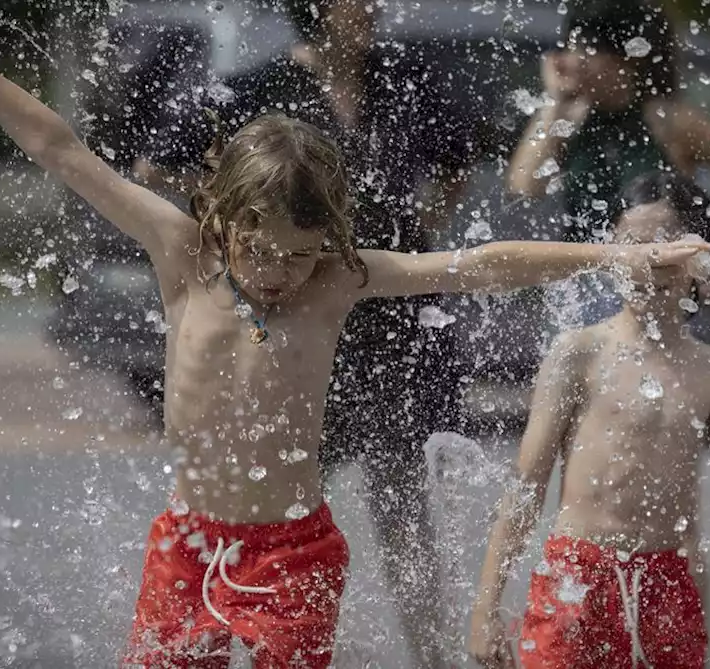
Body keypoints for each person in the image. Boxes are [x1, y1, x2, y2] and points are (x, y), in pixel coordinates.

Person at [0, 2, 710, 666]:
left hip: (296, 552)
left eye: (301, 255)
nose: (279, 271)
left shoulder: (336, 278)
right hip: (189, 541)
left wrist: (615, 254)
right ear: (221, 215)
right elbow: (58, 146)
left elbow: (480, 262)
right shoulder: (185, 255)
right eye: (262, 249)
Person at [136, 3, 484, 664]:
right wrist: (233, 218)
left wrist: (426, 223)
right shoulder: (256, 87)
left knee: (404, 512)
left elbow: (459, 159)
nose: (374, 8)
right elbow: (159, 167)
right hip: (293, 321)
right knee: (275, 499)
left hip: (384, 321)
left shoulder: (403, 76)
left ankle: (431, 657)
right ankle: (252, 621)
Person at [468, 172, 710, 669]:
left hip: (670, 585)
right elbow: (526, 488)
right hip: (576, 580)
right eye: (634, 244)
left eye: (667, 243)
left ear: (699, 256)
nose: (651, 259)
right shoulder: (578, 354)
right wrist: (485, 608)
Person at [507, 0, 710, 322]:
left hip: (654, 297)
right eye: (569, 47)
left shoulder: (673, 122)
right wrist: (555, 101)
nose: (570, 62)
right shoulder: (569, 117)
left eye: (585, 49)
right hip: (579, 293)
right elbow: (523, 187)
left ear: (624, 58)